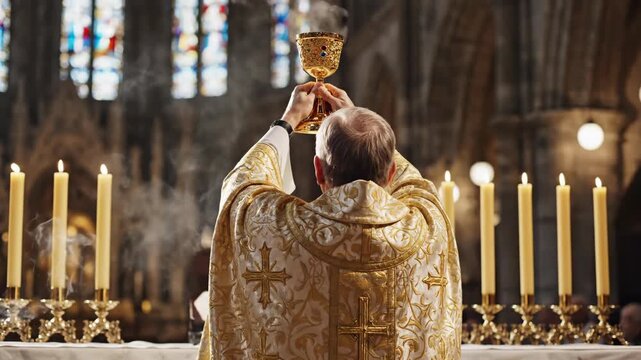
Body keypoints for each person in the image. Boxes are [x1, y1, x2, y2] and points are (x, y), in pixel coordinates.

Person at [198, 83, 462, 359]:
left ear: (318, 170)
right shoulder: (427, 226)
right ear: (391, 170)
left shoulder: (282, 229)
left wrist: (286, 122)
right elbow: (415, 184)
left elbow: (242, 188)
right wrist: (358, 122)